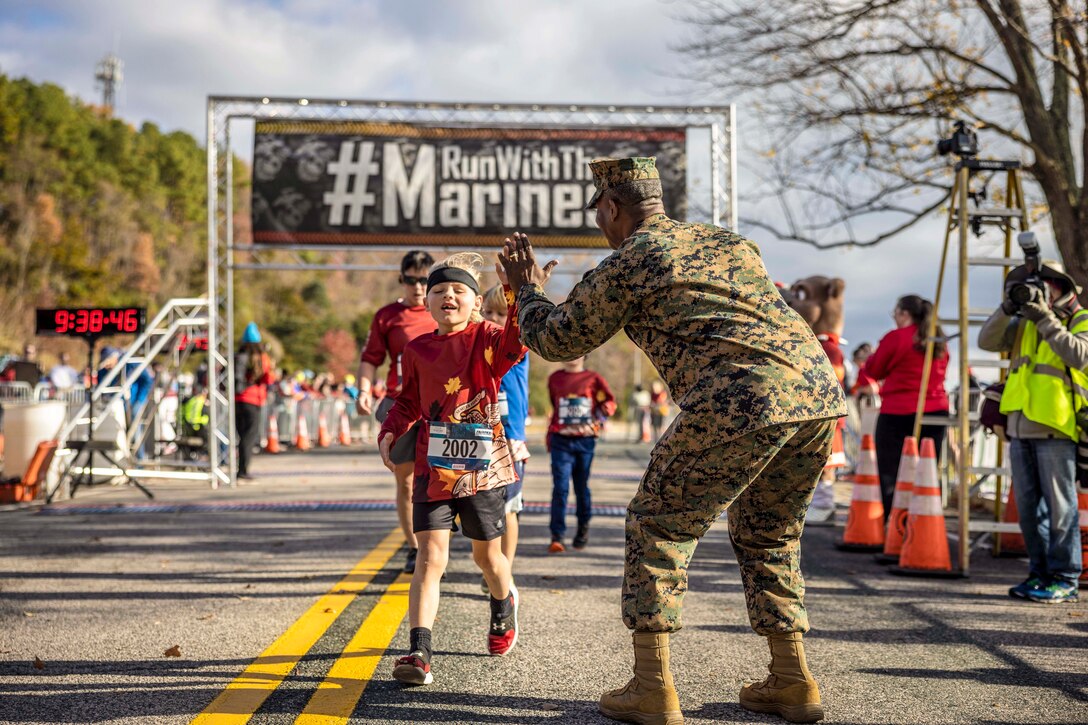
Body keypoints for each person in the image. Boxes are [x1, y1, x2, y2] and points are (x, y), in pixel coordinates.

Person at [500, 156, 846, 724]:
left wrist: (526, 292)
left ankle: (652, 688)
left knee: (658, 524)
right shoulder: (731, 243)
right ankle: (791, 680)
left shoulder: (633, 260)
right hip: (814, 398)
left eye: (599, 214)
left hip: (738, 399)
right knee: (769, 533)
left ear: (612, 207)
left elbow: (558, 339)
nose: (601, 224)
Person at [378, 253, 526, 686]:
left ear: (476, 302)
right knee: (430, 557)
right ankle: (419, 650)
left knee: (488, 558)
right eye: (439, 290)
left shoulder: (488, 338)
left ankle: (503, 606)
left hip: (481, 469)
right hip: (433, 468)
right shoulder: (417, 349)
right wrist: (390, 430)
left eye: (459, 290)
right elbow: (408, 400)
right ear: (426, 302)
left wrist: (518, 291)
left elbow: (518, 342)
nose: (448, 297)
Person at [979, 258, 1086, 604]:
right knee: (1029, 510)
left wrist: (1045, 318)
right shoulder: (1023, 322)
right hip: (1020, 426)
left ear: (1061, 287)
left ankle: (1066, 577)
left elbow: (1080, 355)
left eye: (1045, 285)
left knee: (1061, 509)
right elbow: (986, 340)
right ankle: (1039, 573)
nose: (1038, 292)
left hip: (1058, 426)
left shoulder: (1080, 318)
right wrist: (1008, 306)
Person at [356, 250, 436, 574]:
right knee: (405, 483)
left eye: (425, 280)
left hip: (439, 408)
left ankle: (438, 539)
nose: (418, 287)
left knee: (443, 480)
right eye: (412, 280)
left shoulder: (446, 309)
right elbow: (370, 358)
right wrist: (363, 389)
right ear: (401, 280)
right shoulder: (387, 316)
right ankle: (415, 547)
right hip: (401, 405)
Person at [855, 295, 949, 518]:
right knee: (926, 470)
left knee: (891, 471)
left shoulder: (896, 338)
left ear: (904, 314)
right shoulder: (938, 340)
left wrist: (870, 359)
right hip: (935, 410)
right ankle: (924, 519)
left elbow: (875, 370)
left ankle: (895, 524)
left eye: (895, 314)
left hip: (899, 410)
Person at [481, 282, 531, 589]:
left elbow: (513, 324)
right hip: (481, 435)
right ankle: (492, 564)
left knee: (509, 508)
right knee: (485, 508)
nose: (493, 318)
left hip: (510, 438)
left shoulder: (517, 345)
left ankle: (505, 567)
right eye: (488, 312)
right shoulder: (476, 345)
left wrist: (515, 295)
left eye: (501, 313)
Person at [546, 356, 616, 553]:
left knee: (581, 486)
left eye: (576, 352)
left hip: (585, 440)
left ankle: (582, 530)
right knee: (560, 487)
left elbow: (609, 401)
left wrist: (601, 414)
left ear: (585, 355)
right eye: (567, 352)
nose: (572, 356)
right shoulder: (554, 378)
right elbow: (554, 403)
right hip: (560, 439)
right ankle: (557, 535)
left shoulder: (593, 378)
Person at [234, 322, 273, 479]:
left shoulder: (238, 356)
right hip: (253, 399)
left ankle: (240, 468)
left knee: (242, 435)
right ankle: (243, 470)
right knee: (249, 436)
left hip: (238, 399)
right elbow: (268, 378)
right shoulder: (261, 358)